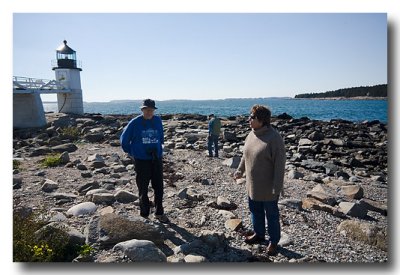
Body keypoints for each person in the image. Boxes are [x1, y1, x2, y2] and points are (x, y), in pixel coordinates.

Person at [234, 105, 286, 256]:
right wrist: (239, 171)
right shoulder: (251, 135)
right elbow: (245, 155)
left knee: (272, 215)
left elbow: (279, 165)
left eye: (252, 117)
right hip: (252, 185)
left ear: (262, 120)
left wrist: (277, 187)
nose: (248, 119)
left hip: (268, 187)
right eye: (249, 116)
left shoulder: (274, 138)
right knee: (255, 211)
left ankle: (274, 241)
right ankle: (259, 234)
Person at [120, 99, 168, 223]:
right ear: (142, 110)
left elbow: (161, 136)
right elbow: (124, 140)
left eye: (151, 110)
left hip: (156, 158)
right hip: (141, 160)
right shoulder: (134, 123)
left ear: (154, 110)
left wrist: (159, 146)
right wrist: (133, 152)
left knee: (159, 186)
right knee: (143, 187)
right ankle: (145, 213)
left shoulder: (157, 120)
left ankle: (159, 212)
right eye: (146, 109)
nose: (149, 112)